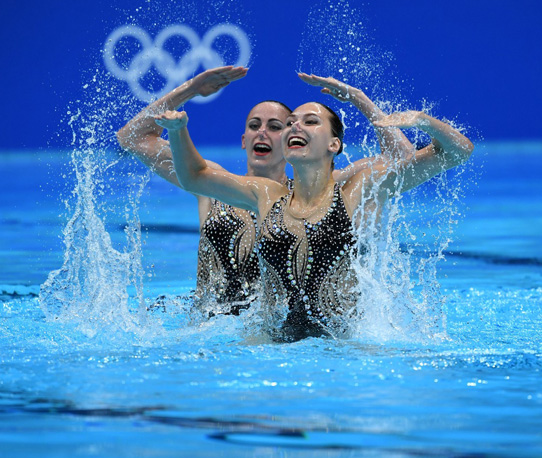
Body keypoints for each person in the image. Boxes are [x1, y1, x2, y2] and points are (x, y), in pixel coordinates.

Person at [156, 71, 474, 341]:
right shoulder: (267, 195)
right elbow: (195, 176)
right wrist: (177, 131)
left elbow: (454, 153)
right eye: (291, 122)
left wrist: (422, 121)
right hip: (267, 348)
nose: (295, 126)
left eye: (310, 122)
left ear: (334, 144)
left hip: (340, 349)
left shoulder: (358, 192)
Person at [116, 66, 411, 314]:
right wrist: (190, 90)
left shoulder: (318, 195)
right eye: (255, 126)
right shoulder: (212, 183)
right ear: (244, 140)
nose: (262, 132)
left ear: (292, 138)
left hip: (273, 335)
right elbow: (131, 137)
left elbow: (403, 162)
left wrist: (359, 100)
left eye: (274, 126)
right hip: (210, 329)